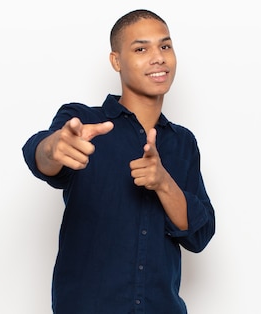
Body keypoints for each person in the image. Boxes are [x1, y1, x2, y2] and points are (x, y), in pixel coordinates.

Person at [22, 9, 215, 314]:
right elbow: (41, 157)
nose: (158, 58)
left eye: (165, 46)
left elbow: (199, 234)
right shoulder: (84, 121)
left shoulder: (182, 142)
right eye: (141, 49)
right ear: (116, 61)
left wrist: (164, 182)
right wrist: (54, 147)